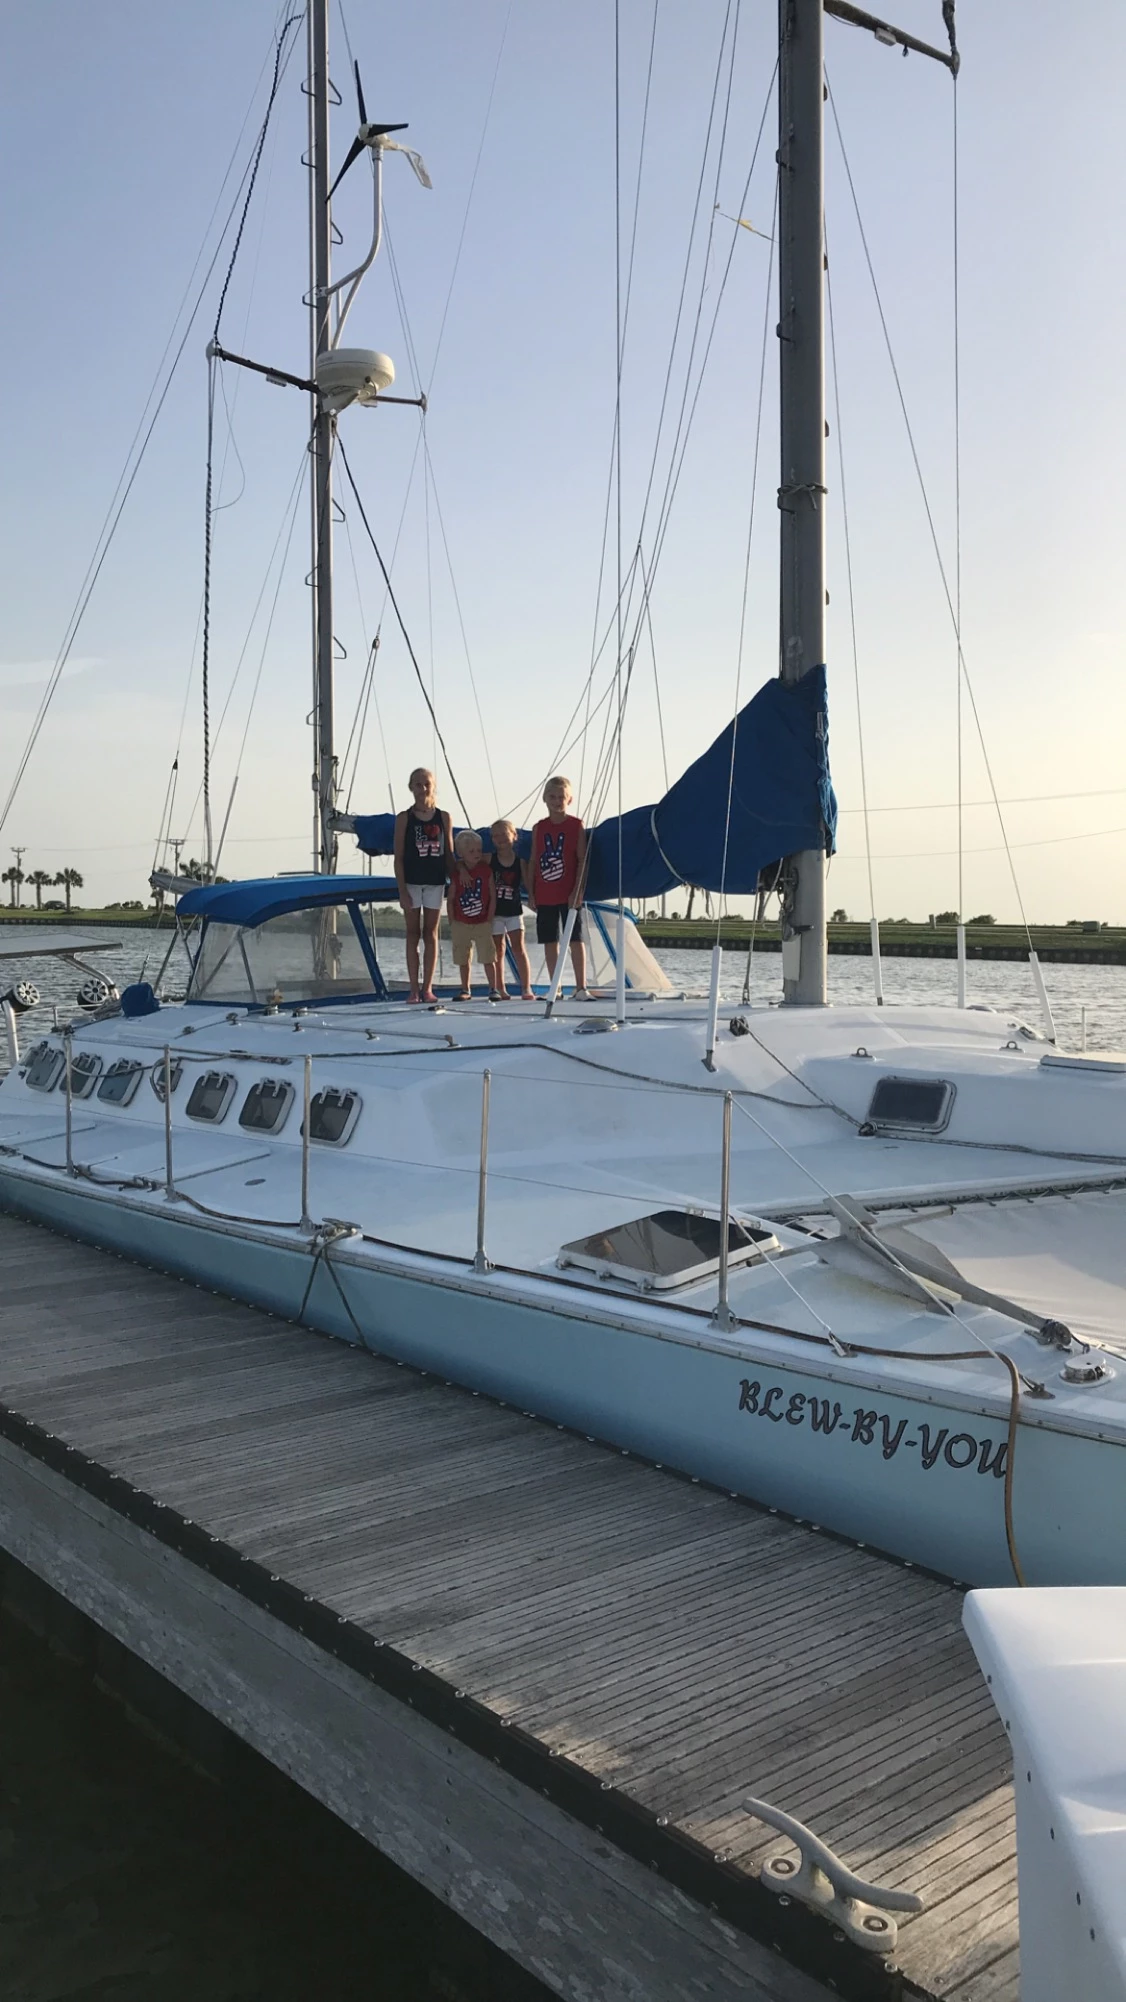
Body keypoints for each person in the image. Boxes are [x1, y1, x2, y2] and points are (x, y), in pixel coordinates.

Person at [525, 775, 588, 996]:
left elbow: (582, 859)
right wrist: (531, 893)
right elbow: (533, 860)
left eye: (561, 797)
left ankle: (581, 987)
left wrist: (577, 890)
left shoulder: (575, 825)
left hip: (569, 894)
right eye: (552, 796)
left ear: (569, 800)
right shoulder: (539, 828)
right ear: (545, 798)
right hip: (545, 894)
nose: (557, 800)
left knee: (575, 939)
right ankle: (555, 987)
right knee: (550, 941)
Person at [394, 768, 452, 1003]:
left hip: (435, 882)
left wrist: (455, 882)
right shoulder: (404, 818)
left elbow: (448, 852)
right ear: (411, 788)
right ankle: (413, 989)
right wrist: (402, 890)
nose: (423, 789)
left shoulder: (444, 817)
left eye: (426, 784)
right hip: (412, 882)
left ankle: (427, 988)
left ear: (433, 786)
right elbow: (398, 856)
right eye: (418, 784)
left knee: (431, 933)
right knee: (412, 933)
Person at [446, 829, 496, 1000]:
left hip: (482, 921)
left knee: (488, 956)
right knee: (463, 957)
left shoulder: (486, 870)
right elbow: (451, 898)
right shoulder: (456, 874)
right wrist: (452, 920)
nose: (476, 854)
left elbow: (492, 894)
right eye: (471, 851)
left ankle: (493, 988)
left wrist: (489, 918)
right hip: (461, 922)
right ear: (461, 853)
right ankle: (465, 989)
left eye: (478, 850)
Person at [489, 819, 534, 999]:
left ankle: (526, 987)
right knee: (498, 950)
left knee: (518, 948)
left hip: (514, 910)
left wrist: (532, 898)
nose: (500, 838)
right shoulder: (489, 859)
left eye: (503, 834)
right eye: (495, 835)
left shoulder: (520, 862)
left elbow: (528, 884)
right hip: (495, 912)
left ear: (514, 836)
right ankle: (500, 988)